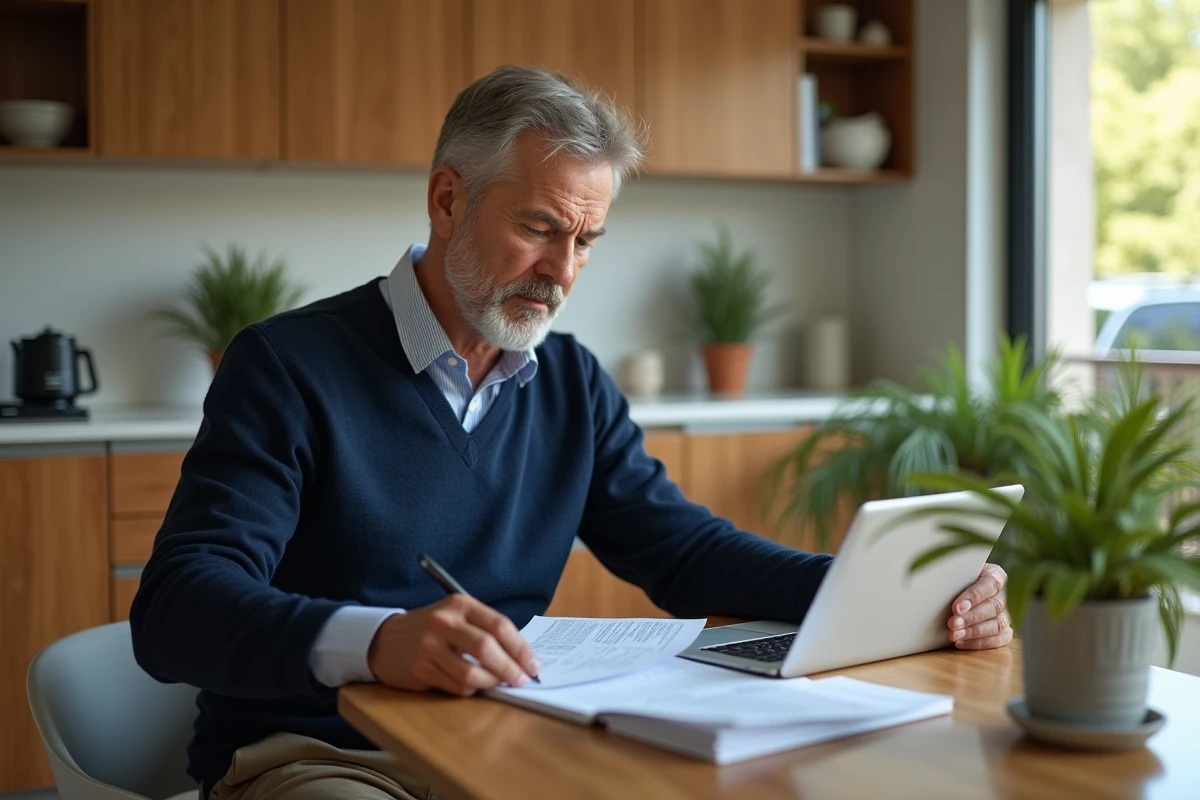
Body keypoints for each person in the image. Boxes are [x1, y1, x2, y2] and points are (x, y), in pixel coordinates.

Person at [131, 66, 1012, 800]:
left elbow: (680, 550)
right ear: (447, 200)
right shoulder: (286, 366)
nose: (562, 272)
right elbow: (176, 608)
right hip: (323, 757)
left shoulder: (570, 381)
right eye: (540, 228)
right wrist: (378, 639)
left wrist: (890, 588)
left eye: (587, 239)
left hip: (507, 743)